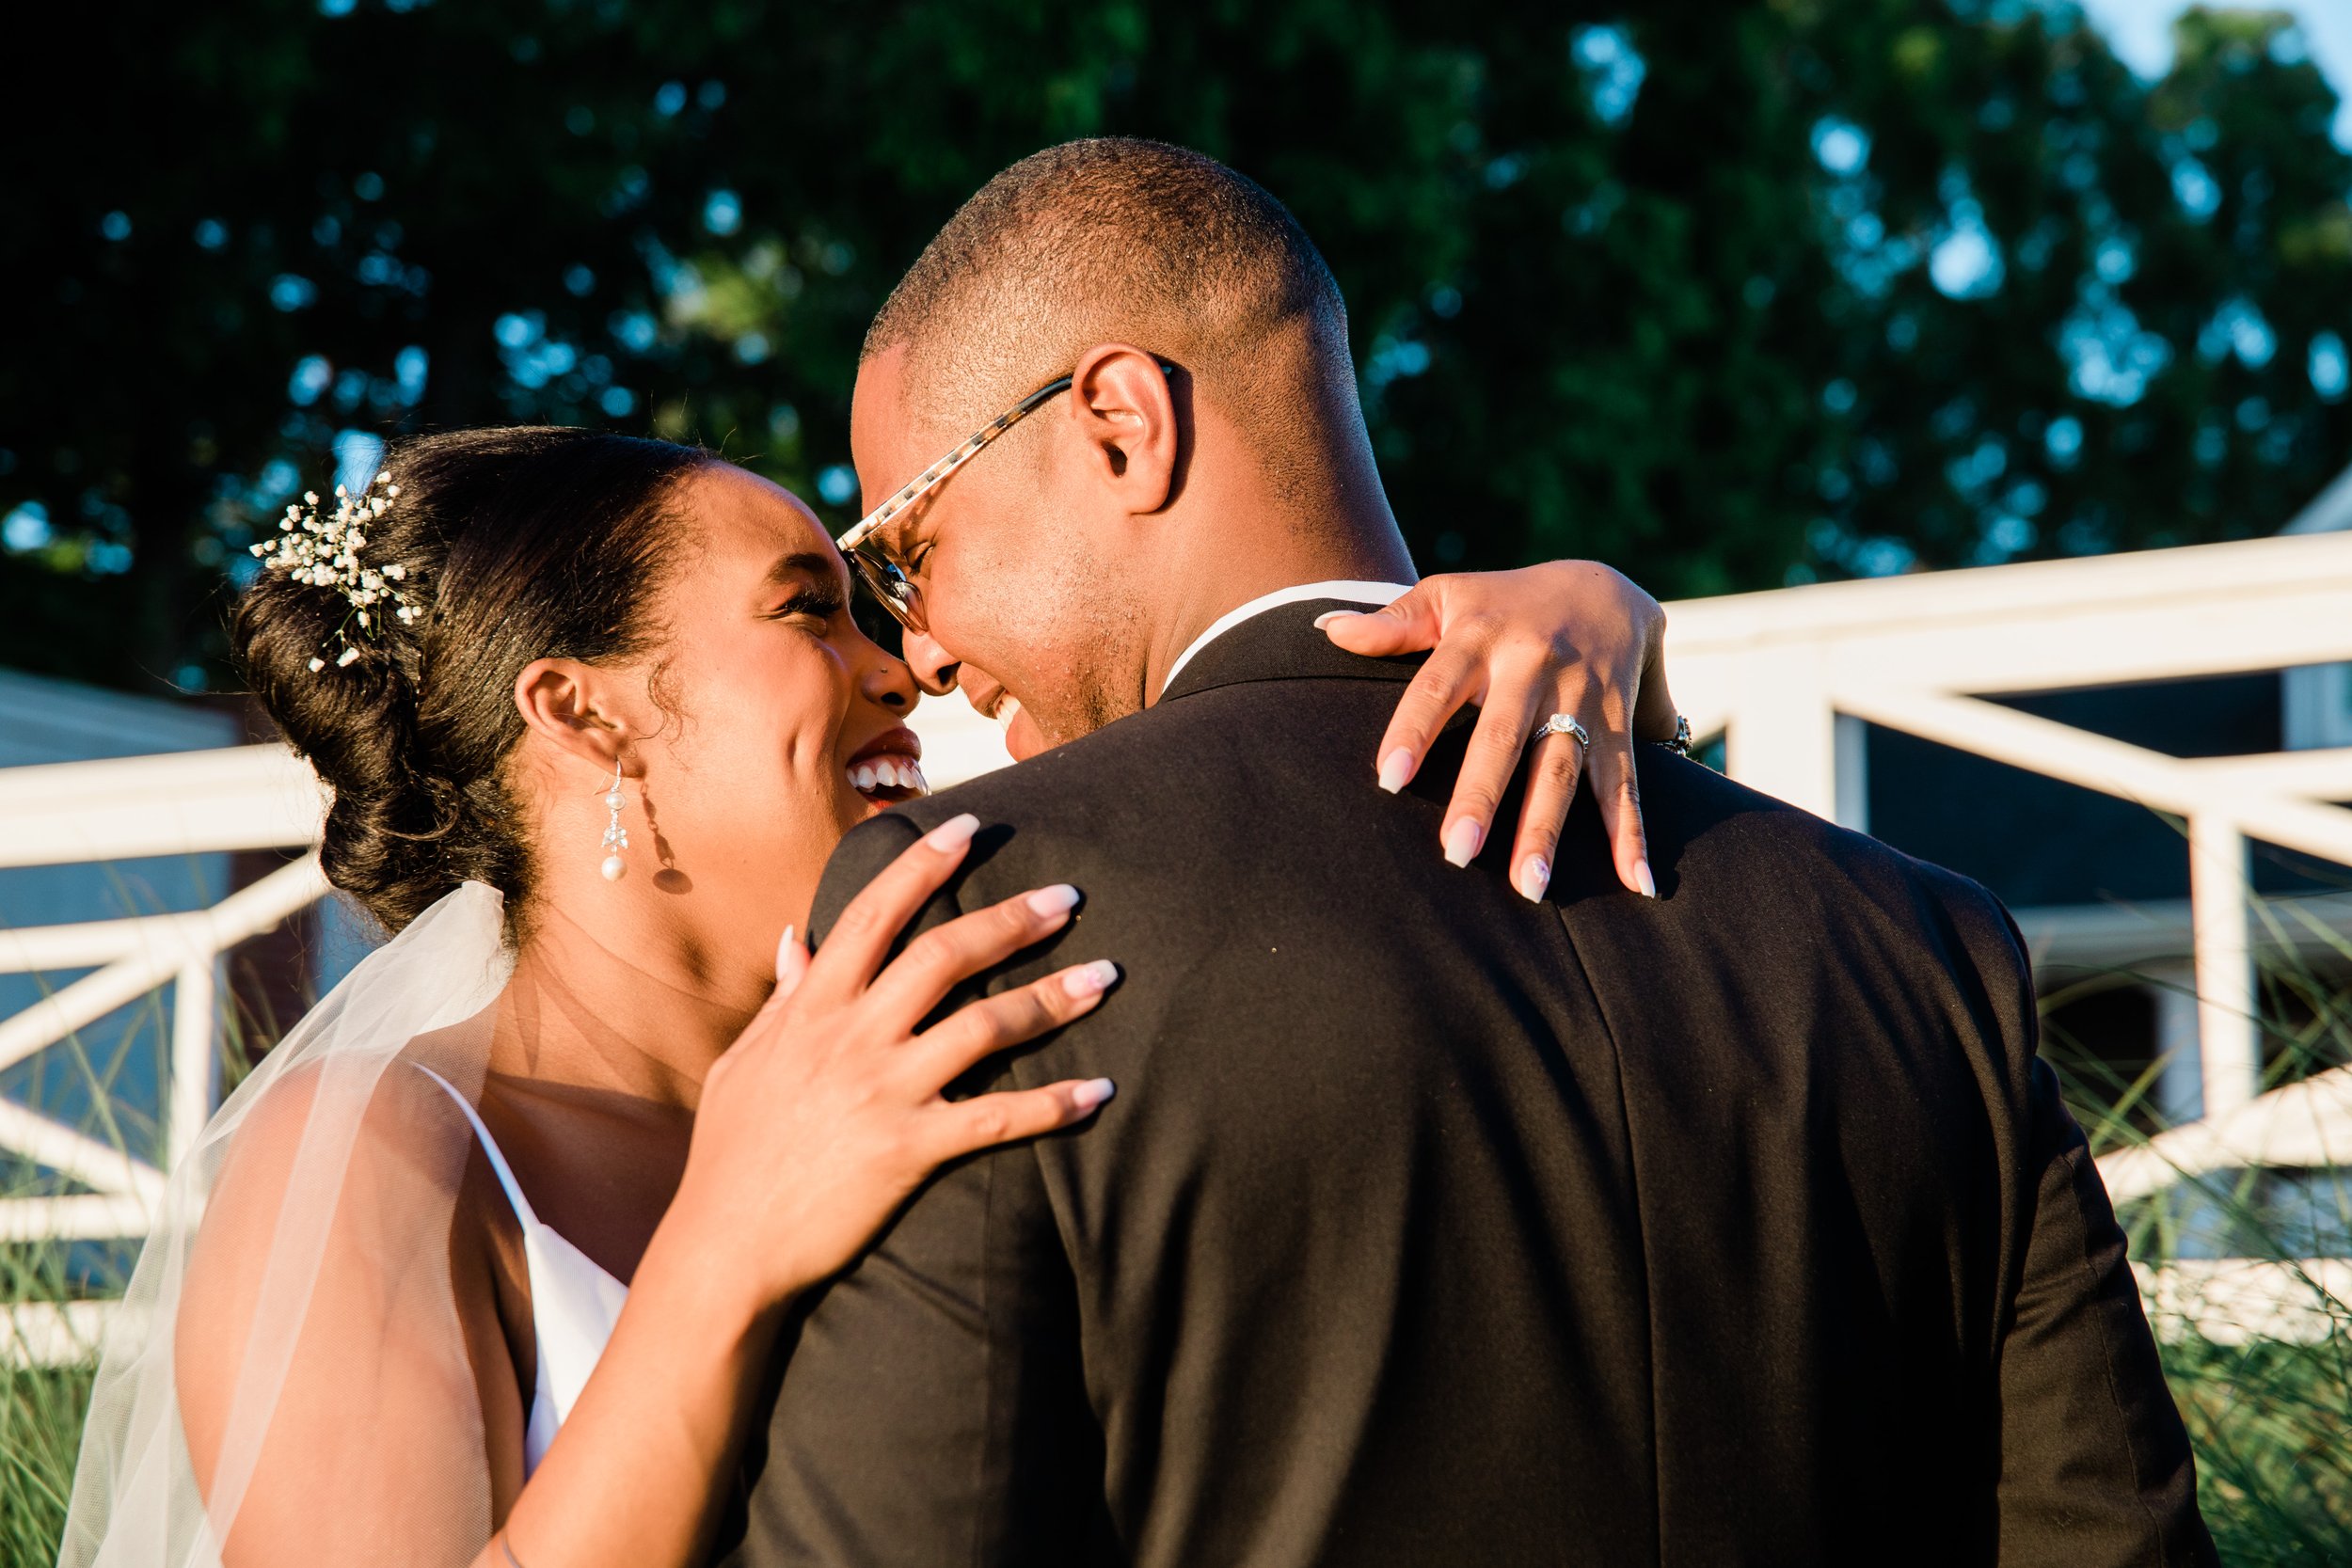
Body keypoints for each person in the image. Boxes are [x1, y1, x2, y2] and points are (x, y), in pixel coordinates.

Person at [723, 138, 2215, 1566]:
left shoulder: (984, 909)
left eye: (907, 552)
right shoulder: (1919, 944)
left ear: (1122, 422)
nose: (916, 649)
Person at [56, 425, 1678, 1567]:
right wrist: (723, 1246)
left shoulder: (947, 1016)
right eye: (810, 607)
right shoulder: (377, 1159)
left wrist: (1581, 616)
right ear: (587, 716)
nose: (900, 665)